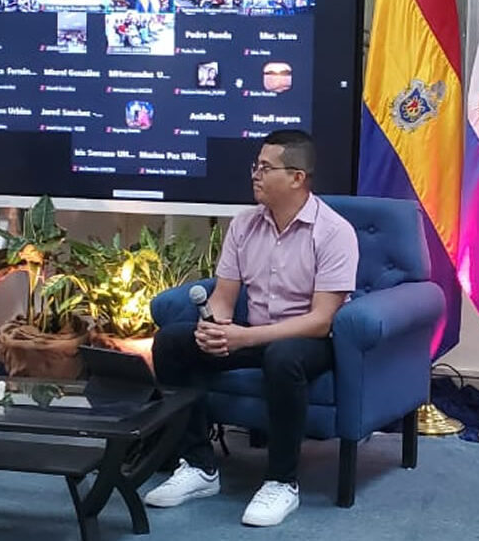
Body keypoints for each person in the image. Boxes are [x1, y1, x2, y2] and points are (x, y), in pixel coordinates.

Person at [143, 129, 358, 527]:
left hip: (309, 342)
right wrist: (215, 326)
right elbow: (224, 297)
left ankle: (281, 482)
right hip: (253, 333)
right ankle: (197, 465)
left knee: (282, 356)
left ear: (297, 177)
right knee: (172, 341)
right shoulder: (244, 225)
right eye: (255, 166)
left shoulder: (334, 232)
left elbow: (321, 319)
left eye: (265, 167)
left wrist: (244, 336)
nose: (255, 175)